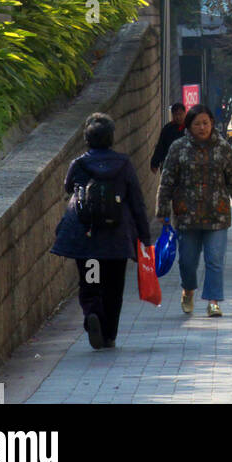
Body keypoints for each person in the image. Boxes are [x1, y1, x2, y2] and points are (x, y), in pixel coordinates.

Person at [51, 112, 151, 351]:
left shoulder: (79, 164)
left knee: (91, 282)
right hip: (117, 240)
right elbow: (137, 202)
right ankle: (109, 334)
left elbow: (68, 187)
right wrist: (145, 238)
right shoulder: (124, 164)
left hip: (88, 239)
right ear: (111, 138)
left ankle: (93, 312)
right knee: (114, 288)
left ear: (87, 139)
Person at [155, 103, 232, 318]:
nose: (202, 127)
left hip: (217, 214)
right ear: (189, 126)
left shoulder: (223, 148)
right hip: (187, 215)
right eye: (197, 124)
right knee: (187, 261)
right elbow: (167, 180)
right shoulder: (178, 148)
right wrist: (163, 209)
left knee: (215, 260)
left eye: (205, 123)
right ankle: (188, 290)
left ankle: (213, 301)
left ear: (212, 123)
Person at [150, 102, 186, 172]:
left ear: (185, 113)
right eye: (176, 114)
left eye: (180, 114)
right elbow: (160, 146)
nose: (178, 117)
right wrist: (155, 163)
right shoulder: (167, 129)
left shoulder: (190, 128)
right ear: (172, 115)